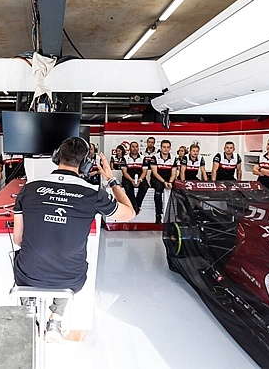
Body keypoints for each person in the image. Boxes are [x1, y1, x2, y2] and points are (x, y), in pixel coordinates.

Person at [13, 137, 135, 342]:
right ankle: (55, 320)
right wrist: (111, 180)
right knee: (68, 262)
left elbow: (18, 239)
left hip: (29, 275)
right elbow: (129, 213)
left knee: (23, 257)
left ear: (56, 157)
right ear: (86, 164)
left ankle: (29, 314)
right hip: (71, 278)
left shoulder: (28, 188)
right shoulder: (94, 193)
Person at [150, 140, 176, 224]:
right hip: (157, 179)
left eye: (168, 147)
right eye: (164, 147)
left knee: (178, 189)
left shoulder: (173, 158)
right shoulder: (155, 157)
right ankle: (158, 214)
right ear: (161, 148)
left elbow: (174, 173)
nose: (166, 149)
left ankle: (176, 215)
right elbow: (155, 173)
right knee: (159, 189)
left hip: (168, 179)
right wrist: (164, 182)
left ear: (170, 148)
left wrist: (170, 182)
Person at [121, 141, 149, 214]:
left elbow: (145, 172)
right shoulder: (124, 158)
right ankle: (135, 206)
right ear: (130, 148)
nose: (135, 148)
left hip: (140, 177)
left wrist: (139, 180)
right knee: (127, 187)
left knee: (145, 187)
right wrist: (131, 180)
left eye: (136, 147)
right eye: (133, 147)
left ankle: (137, 205)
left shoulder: (143, 158)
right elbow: (124, 172)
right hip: (128, 177)